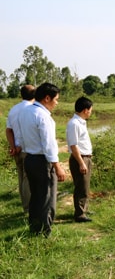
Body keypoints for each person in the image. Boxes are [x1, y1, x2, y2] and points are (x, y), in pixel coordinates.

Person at [18, 82, 66, 237]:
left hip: (29, 159)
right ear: (47, 98)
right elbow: (49, 145)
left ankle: (35, 227)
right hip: (42, 161)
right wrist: (57, 166)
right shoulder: (43, 116)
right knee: (47, 197)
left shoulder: (25, 112)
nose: (56, 103)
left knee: (36, 196)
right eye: (56, 99)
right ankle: (45, 232)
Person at [5, 85, 36, 213]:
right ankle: (29, 208)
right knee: (28, 179)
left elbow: (8, 130)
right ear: (34, 95)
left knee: (21, 178)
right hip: (27, 149)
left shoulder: (14, 109)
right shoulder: (32, 109)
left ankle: (25, 206)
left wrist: (13, 146)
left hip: (17, 149)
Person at [66, 96, 94, 222]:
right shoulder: (74, 124)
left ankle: (83, 209)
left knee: (85, 186)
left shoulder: (81, 122)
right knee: (81, 186)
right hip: (80, 158)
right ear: (85, 110)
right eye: (90, 110)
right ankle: (79, 214)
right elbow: (74, 145)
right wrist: (81, 163)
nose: (91, 112)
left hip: (85, 158)